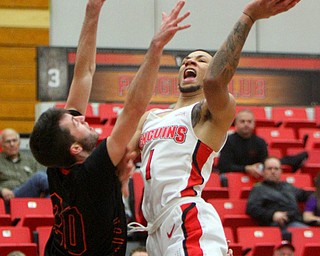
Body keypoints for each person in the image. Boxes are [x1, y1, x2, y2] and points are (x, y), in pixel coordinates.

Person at [126, 1, 301, 255]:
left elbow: (215, 81)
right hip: (155, 231)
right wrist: (155, 47)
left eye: (201, 60)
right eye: (186, 60)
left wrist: (249, 16)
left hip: (187, 215)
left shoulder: (209, 112)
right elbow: (121, 159)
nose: (190, 62)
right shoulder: (151, 117)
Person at [29, 0, 191, 255]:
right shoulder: (92, 173)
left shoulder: (58, 162)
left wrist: (92, 10)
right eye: (75, 122)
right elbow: (134, 108)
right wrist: (156, 46)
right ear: (74, 147)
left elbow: (84, 73)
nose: (81, 117)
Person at [217, 109, 308, 180]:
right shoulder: (227, 140)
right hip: (232, 178)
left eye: (249, 121)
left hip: (257, 178)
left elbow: (264, 163)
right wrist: (246, 168)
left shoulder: (260, 142)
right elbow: (224, 166)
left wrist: (258, 168)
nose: (246, 124)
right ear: (236, 123)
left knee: (275, 163)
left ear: (254, 124)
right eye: (242, 121)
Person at [246, 156, 311, 240]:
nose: (273, 171)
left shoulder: (287, 186)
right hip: (277, 227)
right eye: (269, 169)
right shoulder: (259, 189)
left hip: (296, 220)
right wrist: (272, 215)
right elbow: (252, 208)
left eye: (276, 169)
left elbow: (306, 195)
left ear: (281, 171)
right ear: (263, 171)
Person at [0, 128, 48, 209]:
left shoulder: (30, 160)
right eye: (8, 141)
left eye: (14, 140)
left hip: (32, 196)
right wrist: (1, 190)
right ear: (1, 144)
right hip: (11, 197)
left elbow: (44, 180)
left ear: (19, 142)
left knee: (52, 192)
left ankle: (49, 215)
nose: (12, 144)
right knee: (39, 177)